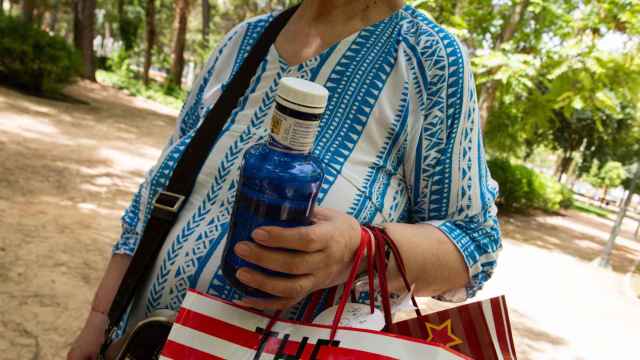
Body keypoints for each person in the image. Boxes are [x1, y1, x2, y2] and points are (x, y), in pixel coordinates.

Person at [68, 0, 501, 358]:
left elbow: (474, 244)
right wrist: (99, 319)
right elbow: (154, 201)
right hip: (140, 342)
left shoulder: (428, 58)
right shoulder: (243, 41)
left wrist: (357, 253)